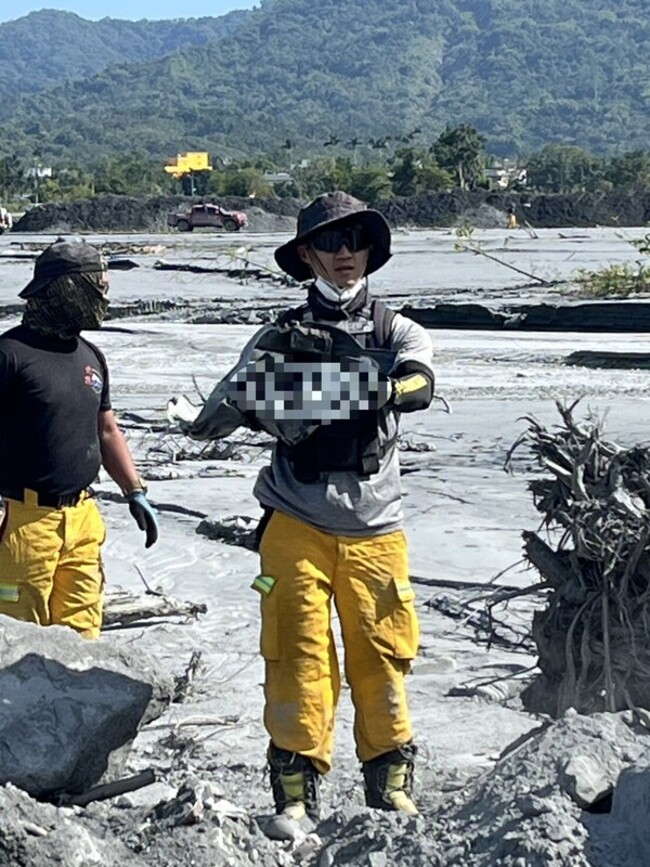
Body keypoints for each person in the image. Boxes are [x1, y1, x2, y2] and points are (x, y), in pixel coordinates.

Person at [171, 191, 434, 831]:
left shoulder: (396, 330)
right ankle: (294, 796)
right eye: (330, 243)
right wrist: (200, 418)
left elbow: (422, 385)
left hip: (377, 526)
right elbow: (225, 407)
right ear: (308, 255)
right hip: (293, 524)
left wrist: (361, 388)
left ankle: (391, 788)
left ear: (371, 251)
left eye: (355, 242)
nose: (345, 255)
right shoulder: (278, 335)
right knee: (297, 655)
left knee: (382, 656)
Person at [0, 238, 159, 639]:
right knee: (17, 635)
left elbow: (106, 429)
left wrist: (134, 490)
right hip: (22, 521)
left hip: (82, 518)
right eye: (97, 285)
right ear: (67, 289)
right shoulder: (10, 354)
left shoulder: (90, 356)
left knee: (83, 634)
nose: (104, 294)